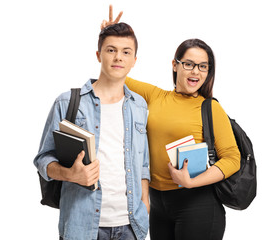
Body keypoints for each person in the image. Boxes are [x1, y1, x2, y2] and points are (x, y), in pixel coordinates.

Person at [101, 7, 241, 240]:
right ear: (175, 65)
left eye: (203, 66)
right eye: (188, 64)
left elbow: (233, 158)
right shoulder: (156, 96)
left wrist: (192, 181)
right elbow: (116, 72)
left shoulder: (210, 107)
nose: (195, 71)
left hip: (197, 204)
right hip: (157, 205)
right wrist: (110, 38)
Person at [34, 22, 150, 240]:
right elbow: (43, 159)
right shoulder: (68, 102)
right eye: (111, 50)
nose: (118, 57)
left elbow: (143, 165)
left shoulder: (139, 106)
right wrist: (70, 174)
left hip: (131, 227)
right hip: (83, 227)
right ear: (98, 55)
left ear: (134, 60)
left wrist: (146, 207)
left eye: (126, 52)